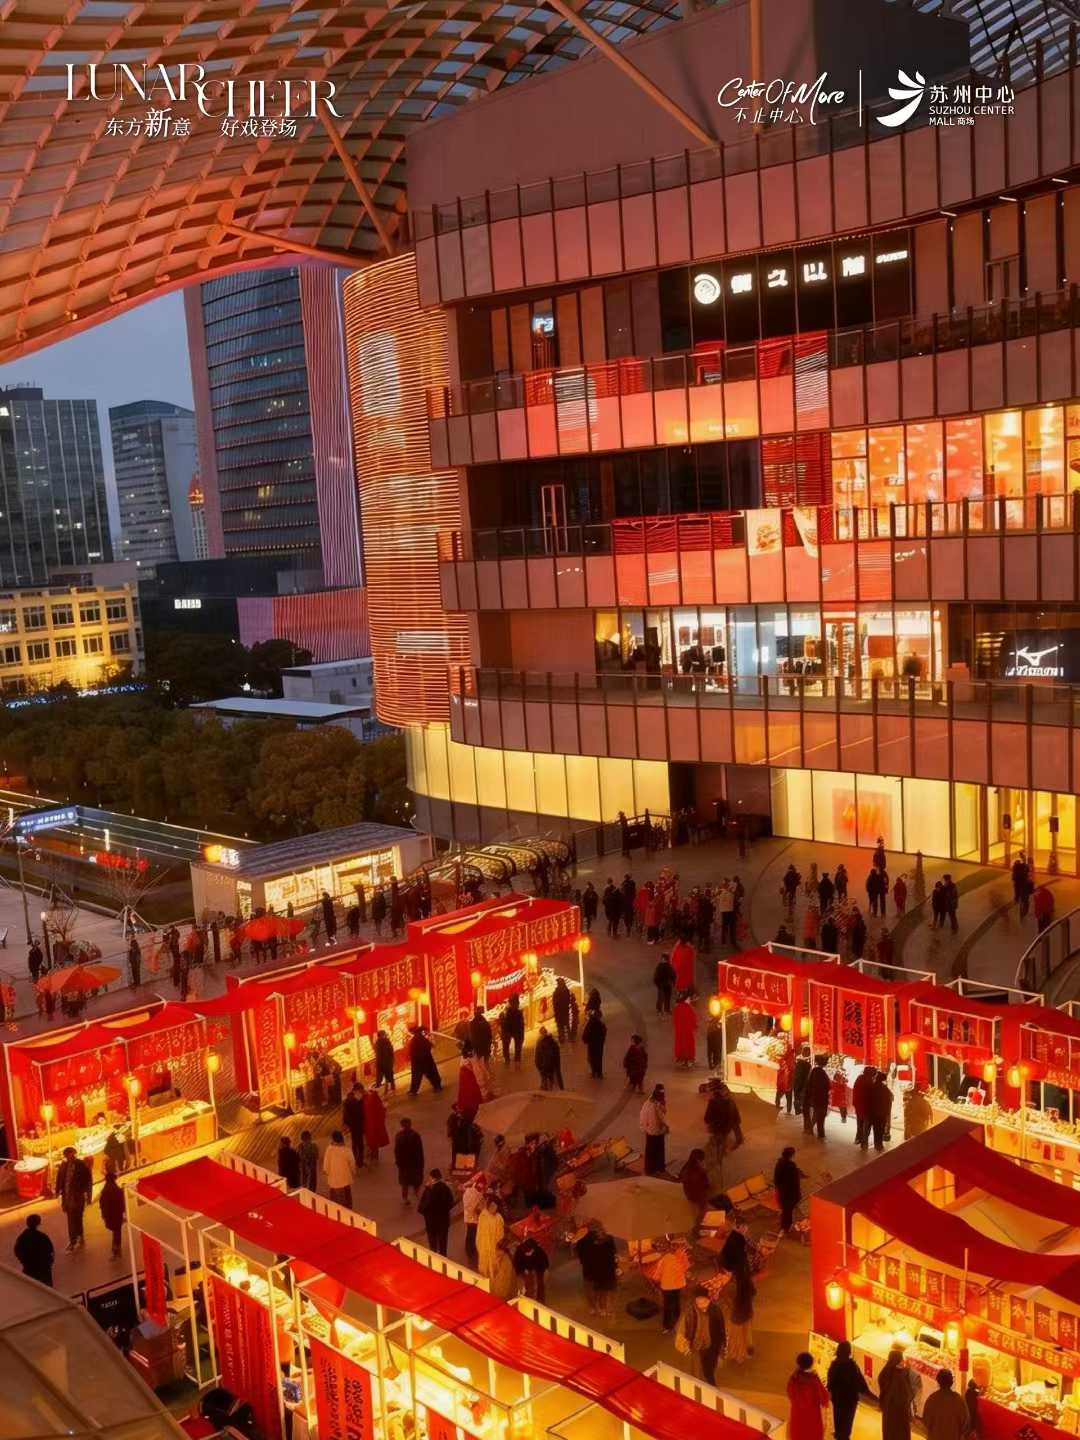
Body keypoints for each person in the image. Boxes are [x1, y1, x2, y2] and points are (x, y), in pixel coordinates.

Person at [828, 1340, 871, 1440]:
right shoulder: (852, 1366)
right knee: (848, 1420)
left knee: (838, 1417)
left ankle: (839, 1435)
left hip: (838, 1398)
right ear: (849, 1351)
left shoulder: (834, 1365)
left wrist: (832, 1391)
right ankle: (845, 1436)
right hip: (850, 1399)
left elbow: (830, 1382)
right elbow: (860, 1381)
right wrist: (866, 1392)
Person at [576, 1220, 617, 1319]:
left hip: (589, 1269)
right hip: (605, 1269)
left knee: (590, 1289)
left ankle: (593, 1308)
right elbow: (613, 1253)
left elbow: (579, 1254)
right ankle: (602, 1308)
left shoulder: (583, 1239)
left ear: (588, 1228)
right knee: (602, 1290)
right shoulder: (609, 1238)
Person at [55, 1146, 92, 1251]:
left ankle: (80, 1235)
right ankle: (73, 1241)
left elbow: (88, 1180)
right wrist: (57, 1191)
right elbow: (59, 1179)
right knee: (71, 1220)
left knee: (78, 1218)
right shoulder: (64, 1166)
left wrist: (88, 1195)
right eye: (66, 1155)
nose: (68, 1156)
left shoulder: (81, 1165)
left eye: (70, 1154)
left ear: (74, 1153)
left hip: (78, 1196)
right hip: (67, 1197)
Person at [878, 1345, 918, 1440]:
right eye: (901, 1360)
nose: (903, 1361)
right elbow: (907, 1395)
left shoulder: (885, 1373)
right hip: (899, 1415)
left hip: (888, 1412)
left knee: (889, 1434)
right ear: (897, 1361)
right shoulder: (900, 1378)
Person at [788, 1352, 829, 1440]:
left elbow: (790, 1395)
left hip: (797, 1417)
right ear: (811, 1364)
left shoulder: (793, 1379)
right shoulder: (814, 1380)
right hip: (812, 1419)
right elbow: (824, 1398)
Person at [923, 1370, 972, 1440]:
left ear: (938, 1382)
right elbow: (965, 1422)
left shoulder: (932, 1399)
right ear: (951, 1382)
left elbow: (926, 1421)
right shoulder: (958, 1400)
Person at [655, 1240, 690, 1332]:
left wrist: (656, 1279)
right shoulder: (683, 1256)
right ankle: (677, 1320)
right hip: (678, 1284)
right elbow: (686, 1267)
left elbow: (659, 1272)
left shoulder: (666, 1258)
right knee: (676, 1302)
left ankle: (668, 1326)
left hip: (667, 1285)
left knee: (668, 1305)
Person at [418, 1169, 454, 1256]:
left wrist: (423, 1212)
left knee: (432, 1241)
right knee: (443, 1241)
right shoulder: (446, 1188)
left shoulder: (429, 1190)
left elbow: (424, 1205)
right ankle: (443, 1257)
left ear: (432, 1178)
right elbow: (451, 1202)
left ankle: (434, 1256)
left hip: (431, 1221)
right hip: (443, 1220)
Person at [14, 1214, 54, 1285]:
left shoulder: (22, 1238)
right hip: (43, 1270)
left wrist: (24, 1262)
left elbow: (17, 1251)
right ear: (38, 1223)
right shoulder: (42, 1237)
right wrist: (48, 1263)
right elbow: (50, 1251)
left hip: (29, 1269)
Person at [774, 1145, 805, 1232]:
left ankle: (785, 1226)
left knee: (786, 1210)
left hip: (782, 1192)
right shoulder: (790, 1165)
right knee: (788, 1212)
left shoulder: (779, 1163)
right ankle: (786, 1227)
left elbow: (777, 1179)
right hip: (789, 1194)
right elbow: (794, 1181)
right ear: (792, 1155)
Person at [395, 1117, 425, 1204]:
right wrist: (421, 1163)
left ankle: (407, 1197)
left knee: (407, 1182)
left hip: (407, 1163)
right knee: (413, 1181)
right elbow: (420, 1151)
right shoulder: (415, 1135)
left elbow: (396, 1151)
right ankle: (414, 1194)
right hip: (411, 1162)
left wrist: (398, 1162)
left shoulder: (399, 1136)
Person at [640, 1084, 668, 1174]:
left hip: (652, 1131)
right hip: (655, 1131)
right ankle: (655, 1168)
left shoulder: (649, 1102)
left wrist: (644, 1128)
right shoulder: (654, 1105)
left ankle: (652, 1168)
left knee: (652, 1150)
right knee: (656, 1150)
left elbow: (642, 1117)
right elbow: (661, 1117)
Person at [323, 1131, 356, 1206]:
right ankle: (348, 1207)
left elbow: (326, 1163)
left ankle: (340, 1209)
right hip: (345, 1177)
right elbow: (352, 1162)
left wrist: (326, 1171)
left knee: (338, 1197)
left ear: (333, 1140)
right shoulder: (347, 1150)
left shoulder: (329, 1149)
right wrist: (353, 1172)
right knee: (347, 1193)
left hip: (334, 1178)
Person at [476, 1196, 505, 1281]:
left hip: (494, 1246)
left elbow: (500, 1233)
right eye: (492, 1206)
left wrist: (498, 1244)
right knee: (484, 1267)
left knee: (495, 1267)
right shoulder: (483, 1215)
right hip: (484, 1246)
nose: (493, 1208)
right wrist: (480, 1245)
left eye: (495, 1207)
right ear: (488, 1205)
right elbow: (479, 1232)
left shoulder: (499, 1218)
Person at [513, 1234, 550, 1302]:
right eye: (527, 1253)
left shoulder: (539, 1251)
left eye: (530, 1252)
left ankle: (540, 1299)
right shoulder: (519, 1251)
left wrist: (538, 1271)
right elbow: (517, 1264)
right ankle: (528, 1299)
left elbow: (544, 1263)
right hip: (525, 1270)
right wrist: (523, 1269)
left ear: (533, 1249)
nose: (529, 1254)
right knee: (528, 1285)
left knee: (540, 1284)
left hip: (538, 1268)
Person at [99, 1170, 126, 1258]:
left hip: (109, 1215)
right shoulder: (116, 1189)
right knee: (117, 1232)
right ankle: (116, 1248)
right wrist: (123, 1213)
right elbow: (121, 1202)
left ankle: (116, 1249)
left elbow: (102, 1203)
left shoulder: (105, 1190)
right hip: (117, 1214)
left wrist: (103, 1214)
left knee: (115, 1232)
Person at [408, 1026, 442, 1095]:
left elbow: (415, 1050)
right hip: (425, 1059)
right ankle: (437, 1086)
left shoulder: (416, 1038)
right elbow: (428, 1046)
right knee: (431, 1074)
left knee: (417, 1076)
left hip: (420, 1061)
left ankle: (413, 1091)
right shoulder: (420, 1037)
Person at [462, 1171, 487, 1262]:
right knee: (472, 1236)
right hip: (474, 1219)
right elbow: (477, 1208)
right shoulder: (477, 1195)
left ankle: (470, 1251)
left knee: (470, 1235)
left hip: (468, 1218)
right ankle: (471, 1252)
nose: (483, 1189)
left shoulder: (468, 1191)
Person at [804, 1054, 831, 1138]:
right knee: (819, 1114)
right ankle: (814, 1130)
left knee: (817, 1113)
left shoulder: (815, 1071)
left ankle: (814, 1130)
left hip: (817, 1097)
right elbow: (824, 1085)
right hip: (820, 1097)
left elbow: (810, 1084)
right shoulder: (819, 1072)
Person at [343, 1083, 367, 1167]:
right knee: (359, 1143)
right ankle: (359, 1160)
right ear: (356, 1090)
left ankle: (356, 1159)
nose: (362, 1092)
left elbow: (345, 1115)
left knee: (355, 1142)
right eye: (360, 1090)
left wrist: (347, 1124)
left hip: (354, 1125)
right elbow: (361, 1112)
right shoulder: (356, 1100)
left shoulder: (349, 1100)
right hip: (357, 1125)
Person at [363, 1085, 389, 1162]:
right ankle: (374, 1155)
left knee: (371, 1140)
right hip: (373, 1124)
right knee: (373, 1140)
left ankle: (373, 1155)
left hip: (369, 1124)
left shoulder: (366, 1099)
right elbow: (381, 1110)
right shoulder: (371, 1098)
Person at [870, 1070, 893, 1151]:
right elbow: (890, 1099)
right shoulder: (884, 1088)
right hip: (882, 1112)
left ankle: (877, 1144)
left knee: (876, 1129)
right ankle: (879, 1144)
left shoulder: (873, 1087)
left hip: (875, 1111)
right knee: (880, 1128)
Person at [853, 1065, 875, 1149]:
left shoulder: (860, 1078)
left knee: (860, 1122)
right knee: (866, 1125)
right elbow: (871, 1095)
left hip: (859, 1104)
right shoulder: (869, 1081)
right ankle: (864, 1142)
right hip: (866, 1106)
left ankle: (858, 1138)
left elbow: (855, 1090)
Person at [499, 994, 525, 1065]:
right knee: (507, 1047)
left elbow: (521, 1027)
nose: (517, 1005)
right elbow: (504, 1027)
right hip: (509, 1031)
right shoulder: (506, 1014)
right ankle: (508, 1061)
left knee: (517, 1049)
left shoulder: (518, 1013)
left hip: (516, 1032)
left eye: (517, 1003)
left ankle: (515, 1062)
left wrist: (521, 1037)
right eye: (515, 1003)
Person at [582, 1006, 607, 1079]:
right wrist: (602, 1040)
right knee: (599, 1058)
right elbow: (604, 1032)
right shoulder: (601, 1024)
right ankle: (599, 1073)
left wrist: (586, 1040)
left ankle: (594, 1072)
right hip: (599, 1044)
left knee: (592, 1058)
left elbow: (586, 1033)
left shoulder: (590, 1023)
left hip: (592, 1044)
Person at [776, 1043, 796, 1113]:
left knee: (783, 1094)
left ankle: (782, 1107)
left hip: (786, 1080)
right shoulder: (789, 1058)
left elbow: (790, 1070)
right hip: (785, 1080)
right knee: (787, 1096)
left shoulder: (788, 1059)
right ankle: (787, 1110)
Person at [552, 977, 573, 1043]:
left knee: (560, 1026)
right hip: (565, 1011)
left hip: (559, 1012)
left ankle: (562, 1039)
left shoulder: (556, 992)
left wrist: (556, 1010)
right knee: (567, 1025)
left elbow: (554, 1002)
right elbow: (568, 1000)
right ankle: (570, 1037)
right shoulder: (566, 990)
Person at [793, 1045, 812, 1115]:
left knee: (797, 1096)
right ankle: (798, 1109)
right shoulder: (803, 1062)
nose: (808, 1053)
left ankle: (798, 1109)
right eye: (808, 1052)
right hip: (800, 1081)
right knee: (799, 1095)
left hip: (798, 1081)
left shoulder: (799, 1061)